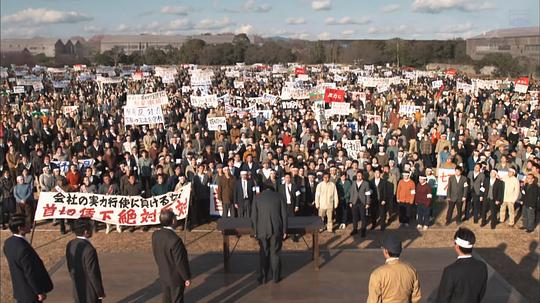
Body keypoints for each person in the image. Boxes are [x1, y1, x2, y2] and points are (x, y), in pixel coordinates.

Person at [3, 214, 54, 303]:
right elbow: (30, 273)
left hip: (20, 290)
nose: (30, 225)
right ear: (20, 228)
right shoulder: (23, 248)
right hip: (30, 294)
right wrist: (39, 292)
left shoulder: (8, 243)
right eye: (27, 223)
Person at [436, 227, 488, 303]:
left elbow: (443, 299)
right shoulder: (482, 266)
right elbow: (481, 293)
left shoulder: (450, 271)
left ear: (457, 247)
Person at [251, 181, 288, 284]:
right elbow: (284, 215)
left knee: (263, 253)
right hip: (276, 229)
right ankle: (275, 278)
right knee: (275, 253)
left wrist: (254, 231)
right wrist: (285, 230)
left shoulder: (257, 197)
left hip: (262, 230)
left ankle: (263, 278)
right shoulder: (279, 196)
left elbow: (253, 216)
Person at [367, 234, 421, 303]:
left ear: (386, 251)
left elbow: (373, 301)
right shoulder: (411, 270)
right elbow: (416, 298)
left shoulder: (377, 274)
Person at [152, 209, 191, 303]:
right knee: (176, 299)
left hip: (163, 274)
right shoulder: (175, 240)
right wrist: (186, 277)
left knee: (166, 299)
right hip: (175, 278)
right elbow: (180, 262)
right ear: (173, 221)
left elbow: (156, 254)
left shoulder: (155, 235)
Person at [65, 218, 105, 303]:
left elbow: (70, 267)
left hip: (77, 288)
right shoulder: (89, 249)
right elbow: (93, 273)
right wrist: (100, 292)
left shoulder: (70, 244)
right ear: (86, 232)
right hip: (90, 292)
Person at [349, 171, 371, 237]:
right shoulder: (353, 183)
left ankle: (363, 230)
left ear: (362, 176)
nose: (359, 177)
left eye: (360, 175)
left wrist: (367, 203)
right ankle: (355, 229)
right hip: (354, 202)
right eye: (358, 175)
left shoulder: (366, 183)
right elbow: (352, 193)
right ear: (356, 176)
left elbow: (367, 194)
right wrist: (350, 202)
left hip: (362, 202)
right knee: (354, 217)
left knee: (363, 217)